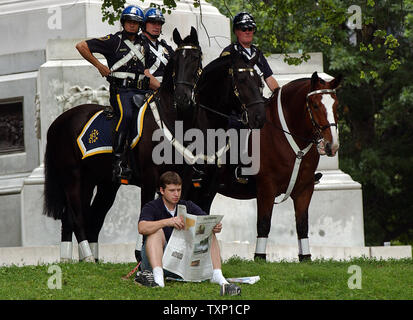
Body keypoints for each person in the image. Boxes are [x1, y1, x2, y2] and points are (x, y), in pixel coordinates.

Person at [76, 5, 152, 184]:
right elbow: (81, 46)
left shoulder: (145, 44)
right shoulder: (113, 41)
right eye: (129, 22)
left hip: (142, 90)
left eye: (135, 22)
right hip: (121, 91)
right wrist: (99, 65)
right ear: (123, 22)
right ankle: (118, 161)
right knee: (125, 115)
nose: (132, 25)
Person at [135, 171, 240, 295]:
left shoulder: (187, 205)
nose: (176, 194)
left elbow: (206, 220)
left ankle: (217, 275)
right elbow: (142, 228)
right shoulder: (152, 206)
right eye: (172, 190)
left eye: (178, 190)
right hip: (155, 262)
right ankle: (158, 279)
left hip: (180, 263)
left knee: (208, 232)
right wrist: (167, 222)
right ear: (162, 191)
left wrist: (214, 227)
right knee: (155, 232)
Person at [221, 11, 279, 93]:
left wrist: (279, 95)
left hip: (258, 100)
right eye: (243, 29)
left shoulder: (257, 53)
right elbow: (223, 82)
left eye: (250, 28)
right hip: (237, 102)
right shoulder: (229, 52)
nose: (247, 32)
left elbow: (268, 77)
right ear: (236, 31)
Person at [140, 7, 174, 90]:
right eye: (153, 23)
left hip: (168, 92)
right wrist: (162, 90)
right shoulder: (137, 45)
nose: (157, 26)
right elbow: (143, 72)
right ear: (144, 24)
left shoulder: (166, 47)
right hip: (146, 92)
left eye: (159, 24)